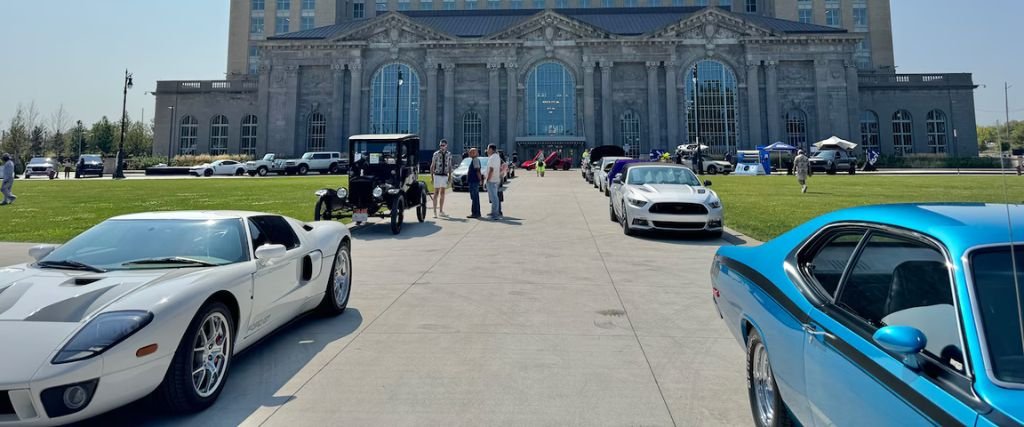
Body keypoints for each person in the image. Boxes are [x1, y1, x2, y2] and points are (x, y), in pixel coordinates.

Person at [430, 139, 453, 218]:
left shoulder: (449, 154)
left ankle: (441, 210)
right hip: (437, 175)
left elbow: (450, 166)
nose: (441, 147)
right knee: (436, 193)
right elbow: (432, 165)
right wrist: (432, 177)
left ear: (446, 146)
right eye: (440, 145)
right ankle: (434, 211)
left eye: (443, 145)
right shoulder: (436, 154)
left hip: (445, 175)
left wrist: (450, 176)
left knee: (443, 193)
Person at [485, 144, 503, 220]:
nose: (487, 150)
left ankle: (495, 214)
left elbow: (491, 169)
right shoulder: (497, 157)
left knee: (494, 198)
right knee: (494, 197)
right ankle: (493, 212)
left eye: (488, 149)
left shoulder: (492, 158)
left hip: (492, 180)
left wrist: (487, 179)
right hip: (495, 179)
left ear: (491, 149)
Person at [466, 148, 483, 218]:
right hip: (472, 181)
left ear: (476, 153)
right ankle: (476, 212)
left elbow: (478, 171)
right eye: (470, 152)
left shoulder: (475, 160)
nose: (470, 154)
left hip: (474, 182)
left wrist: (480, 180)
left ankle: (475, 213)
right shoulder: (473, 160)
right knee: (474, 197)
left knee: (475, 197)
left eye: (472, 152)